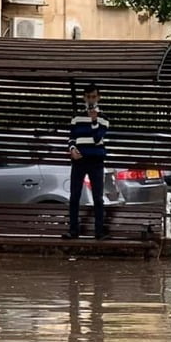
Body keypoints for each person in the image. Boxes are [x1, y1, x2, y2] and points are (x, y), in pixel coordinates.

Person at [65, 84, 109, 240]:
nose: (91, 100)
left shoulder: (103, 118)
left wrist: (94, 120)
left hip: (96, 160)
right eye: (88, 97)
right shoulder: (76, 117)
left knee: (97, 197)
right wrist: (72, 149)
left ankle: (99, 232)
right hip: (79, 160)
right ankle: (73, 231)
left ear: (98, 98)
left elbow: (98, 138)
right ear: (84, 98)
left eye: (94, 97)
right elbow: (71, 136)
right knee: (75, 195)